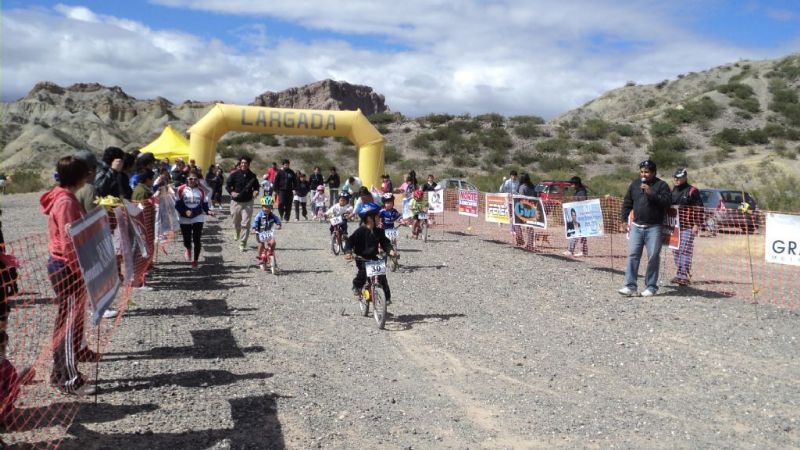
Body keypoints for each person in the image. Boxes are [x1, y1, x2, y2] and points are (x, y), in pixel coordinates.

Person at [40, 156, 99, 395]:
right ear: (79, 176)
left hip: (67, 267)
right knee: (67, 325)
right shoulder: (65, 202)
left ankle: (61, 373)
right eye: (86, 174)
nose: (88, 178)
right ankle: (67, 379)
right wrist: (80, 270)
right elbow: (68, 241)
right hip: (66, 268)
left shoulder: (66, 197)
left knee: (71, 323)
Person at [619, 159, 671, 297]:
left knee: (653, 256)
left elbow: (666, 202)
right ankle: (630, 286)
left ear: (653, 172)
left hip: (654, 227)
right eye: (642, 171)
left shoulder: (662, 185)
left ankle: (651, 287)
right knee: (632, 255)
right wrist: (624, 220)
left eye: (647, 172)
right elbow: (627, 202)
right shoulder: (635, 184)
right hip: (636, 226)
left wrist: (651, 192)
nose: (644, 174)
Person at [344, 202, 396, 303]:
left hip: (373, 257)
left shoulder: (379, 231)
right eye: (377, 216)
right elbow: (350, 241)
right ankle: (357, 286)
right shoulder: (360, 231)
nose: (379, 218)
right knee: (363, 272)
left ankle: (386, 297)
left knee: (382, 276)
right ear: (369, 218)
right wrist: (348, 252)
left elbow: (385, 242)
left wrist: (390, 250)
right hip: (361, 257)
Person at [670, 168, 704, 286]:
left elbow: (700, 208)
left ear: (685, 177)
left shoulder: (692, 191)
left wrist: (697, 224)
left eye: (679, 177)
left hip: (688, 226)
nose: (676, 179)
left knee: (685, 250)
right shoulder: (672, 190)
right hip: (674, 226)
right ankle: (681, 273)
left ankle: (683, 275)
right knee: (675, 251)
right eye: (675, 177)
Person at [176, 170, 213, 268]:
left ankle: (195, 260)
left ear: (198, 180)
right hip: (184, 218)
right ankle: (188, 249)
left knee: (197, 239)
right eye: (190, 179)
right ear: (187, 179)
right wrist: (185, 211)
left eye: (195, 179)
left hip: (198, 217)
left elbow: (204, 204)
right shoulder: (180, 189)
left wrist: (208, 211)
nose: (192, 180)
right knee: (186, 239)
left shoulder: (201, 191)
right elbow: (177, 204)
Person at [225, 157, 260, 252]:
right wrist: (231, 192)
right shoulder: (234, 175)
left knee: (246, 223)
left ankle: (243, 242)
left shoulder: (252, 176)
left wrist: (256, 192)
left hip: (248, 202)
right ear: (240, 164)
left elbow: (257, 187)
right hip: (236, 202)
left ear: (248, 164)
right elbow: (227, 185)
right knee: (236, 221)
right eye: (242, 163)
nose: (243, 164)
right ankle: (237, 231)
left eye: (246, 163)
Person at [252, 197, 282, 270]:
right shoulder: (259, 215)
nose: (267, 209)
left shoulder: (272, 215)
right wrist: (253, 229)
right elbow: (255, 222)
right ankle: (259, 257)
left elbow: (277, 220)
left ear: (271, 208)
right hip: (260, 233)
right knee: (261, 244)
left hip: (269, 233)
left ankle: (271, 253)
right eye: (265, 207)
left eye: (268, 207)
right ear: (262, 207)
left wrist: (279, 225)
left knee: (273, 242)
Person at [565, 176, 589, 256]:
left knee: (576, 233)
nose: (571, 185)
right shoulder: (579, 191)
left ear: (576, 184)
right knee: (582, 234)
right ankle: (583, 251)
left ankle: (571, 251)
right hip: (577, 215)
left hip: (580, 215)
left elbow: (582, 204)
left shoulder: (581, 192)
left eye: (572, 184)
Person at [516, 173, 537, 248]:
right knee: (530, 226)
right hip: (531, 208)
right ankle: (530, 243)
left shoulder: (522, 187)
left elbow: (521, 197)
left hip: (522, 208)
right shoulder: (532, 186)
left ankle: (520, 240)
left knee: (516, 223)